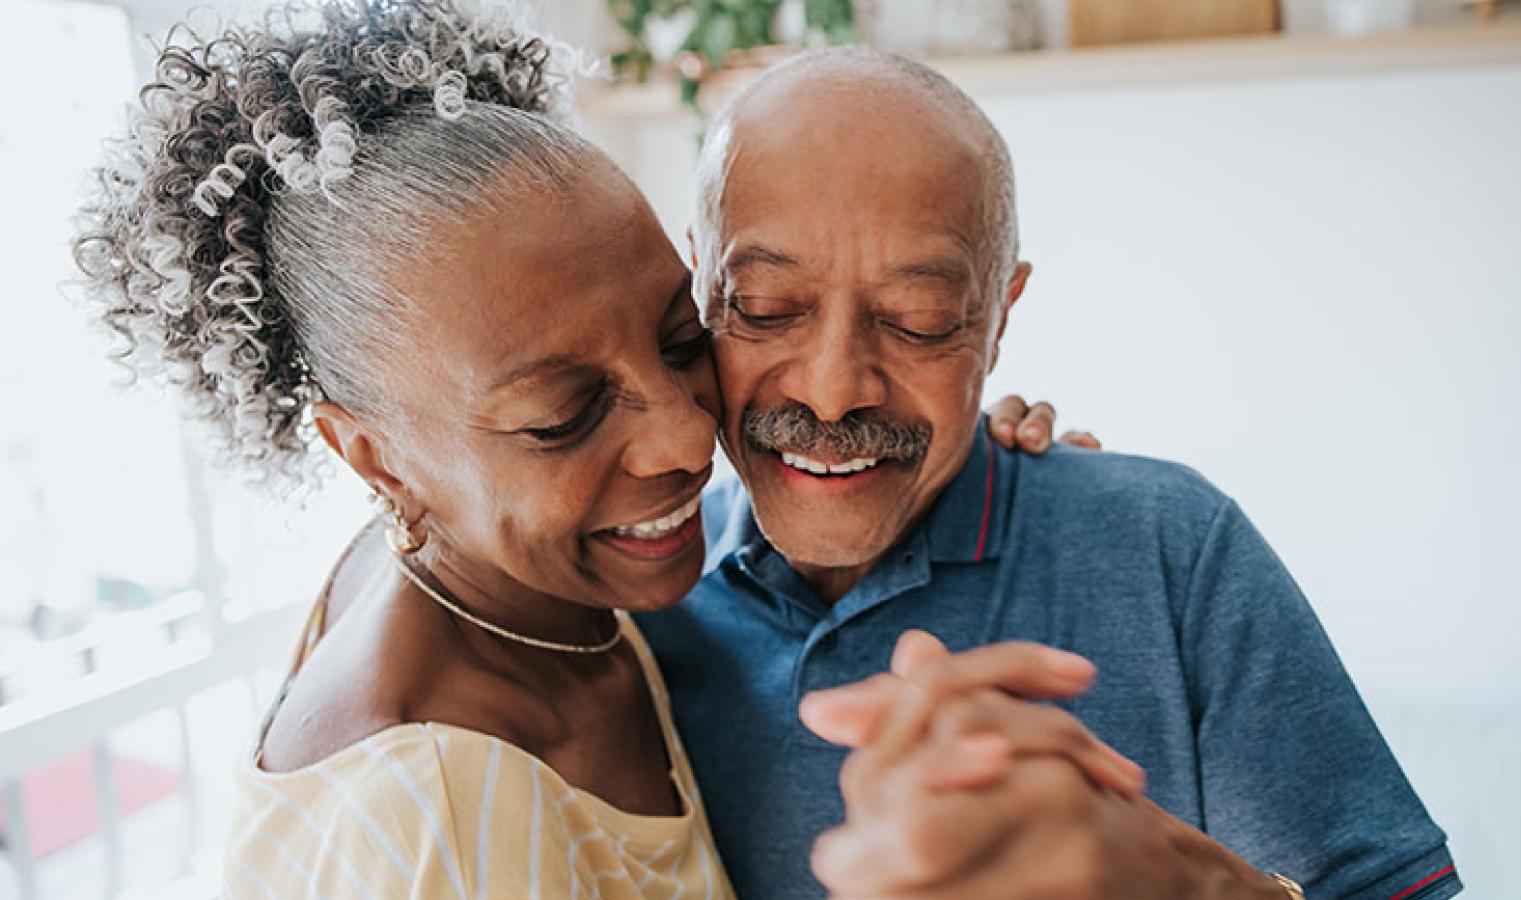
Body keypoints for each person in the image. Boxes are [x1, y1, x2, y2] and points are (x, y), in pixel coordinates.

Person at [72, 1, 1110, 897]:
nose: (686, 435)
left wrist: (950, 436)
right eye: (564, 414)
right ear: (375, 461)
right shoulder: (440, 821)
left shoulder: (527, 582)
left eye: (679, 338)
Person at [633, 46, 1466, 900]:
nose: (835, 391)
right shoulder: (632, 615)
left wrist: (1201, 888)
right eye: (767, 308)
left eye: (920, 322)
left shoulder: (1169, 548)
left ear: (999, 317)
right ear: (702, 289)